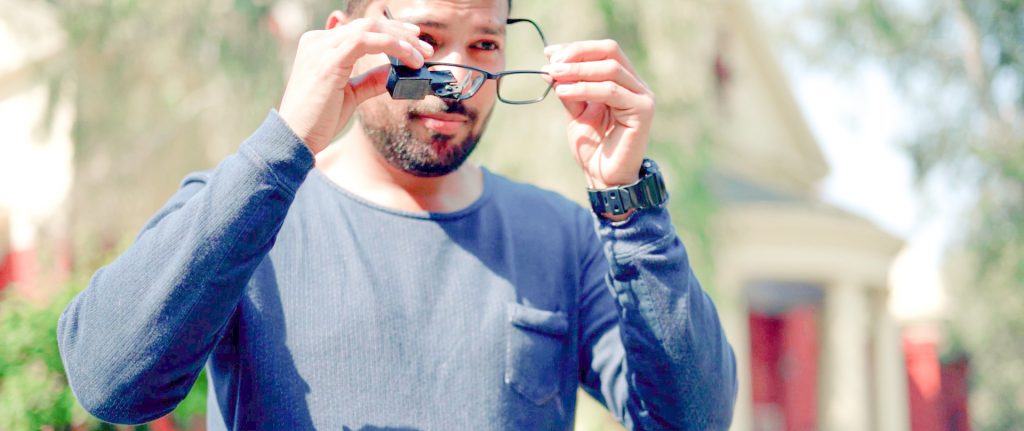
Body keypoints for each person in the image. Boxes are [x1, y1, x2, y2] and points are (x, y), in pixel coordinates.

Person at [56, 0, 737, 429]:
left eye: (484, 45)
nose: (455, 78)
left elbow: (694, 420)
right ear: (342, 41)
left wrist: (628, 203)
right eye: (423, 38)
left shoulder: (563, 236)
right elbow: (111, 380)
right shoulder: (248, 209)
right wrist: (286, 139)